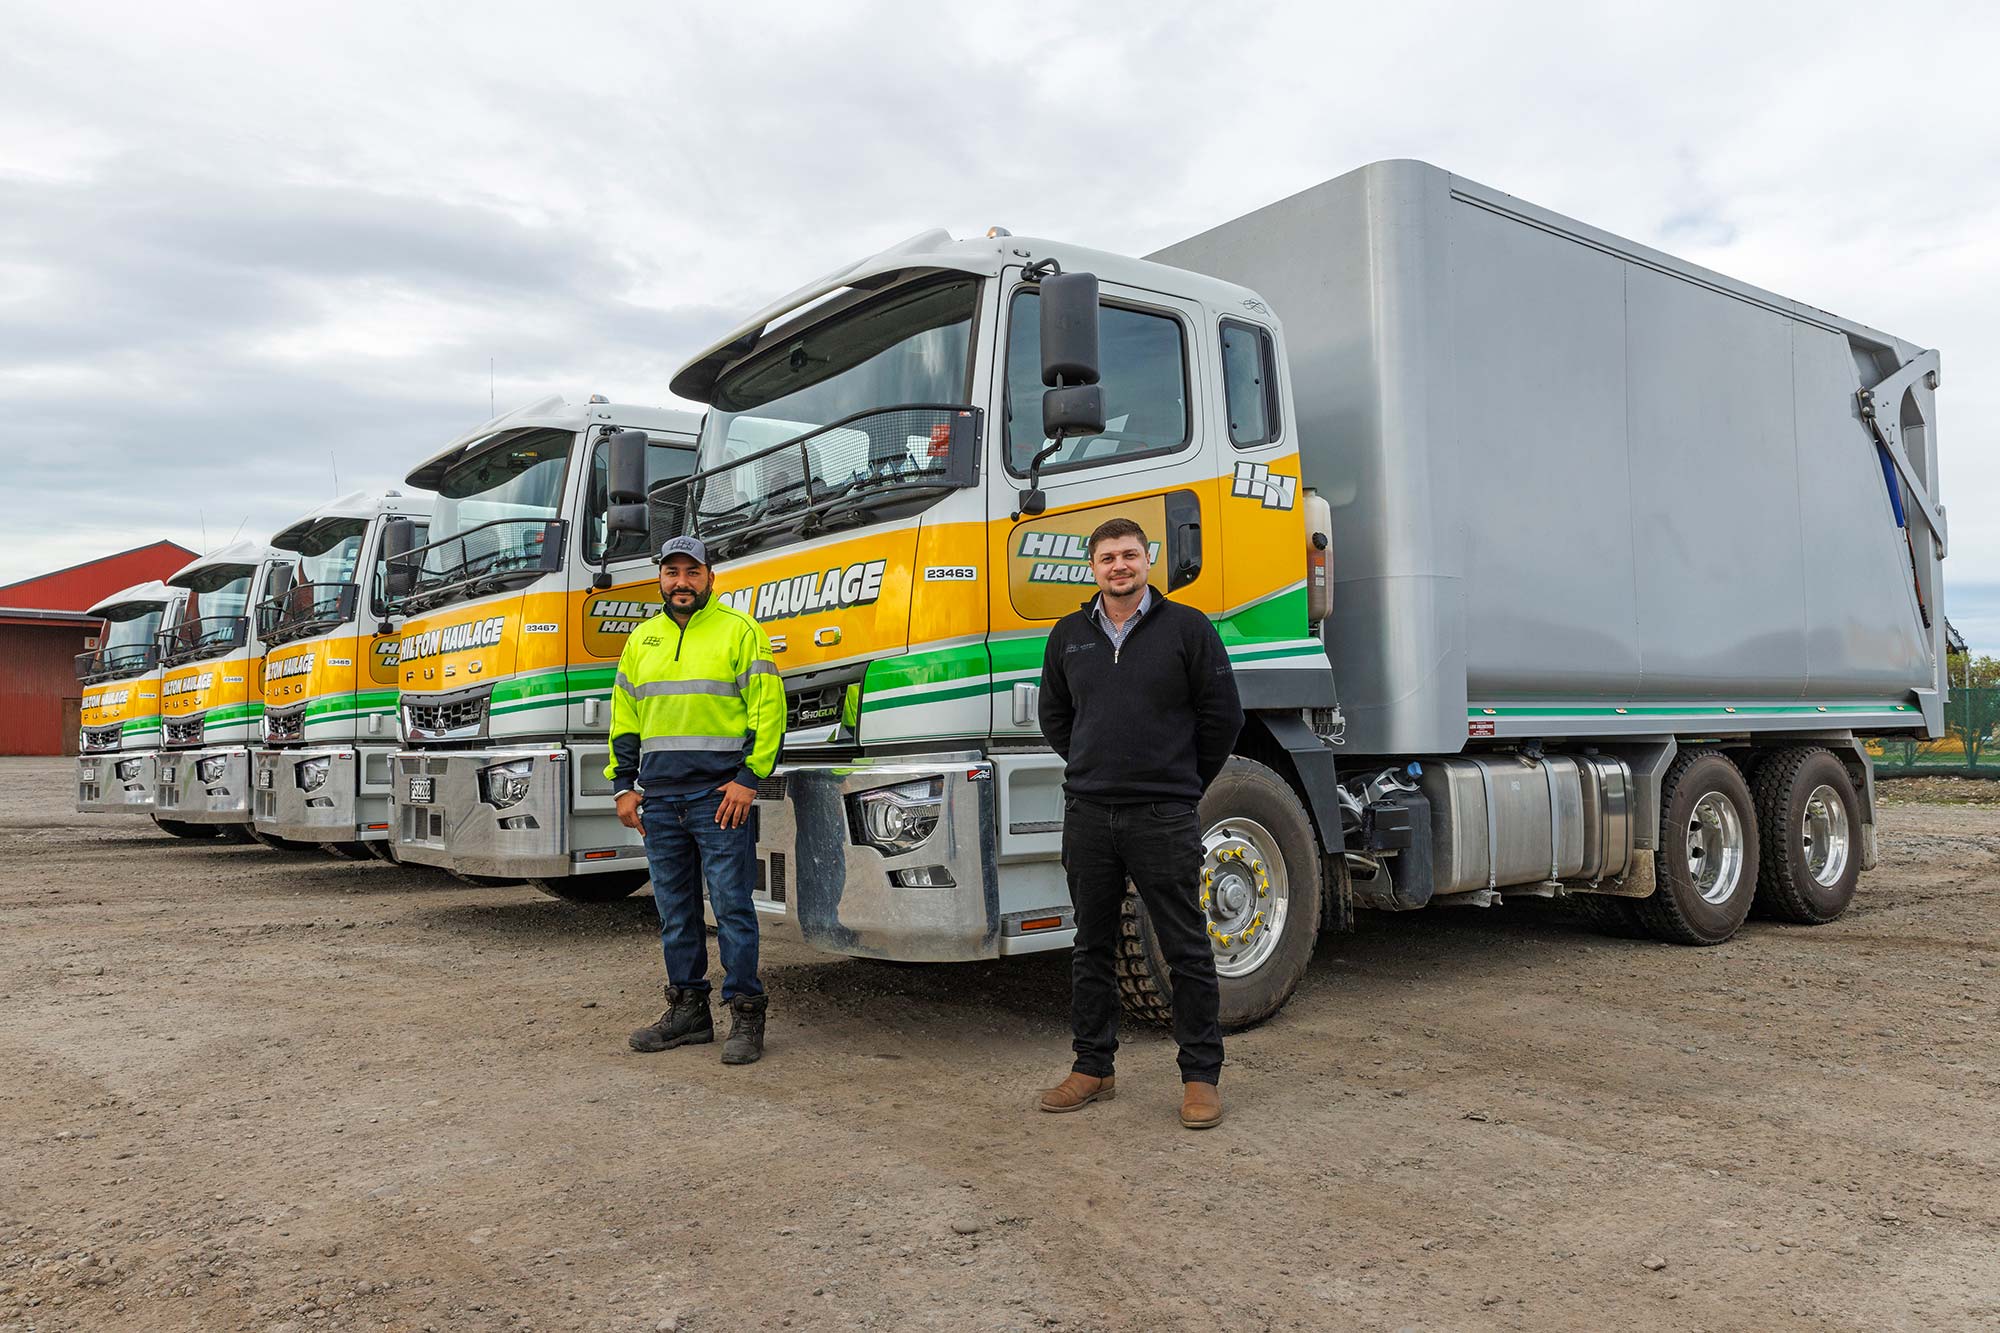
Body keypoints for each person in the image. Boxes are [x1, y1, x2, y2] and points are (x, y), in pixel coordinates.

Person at [1036, 517, 1244, 1129]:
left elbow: (1222, 718)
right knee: (1090, 946)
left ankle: (1201, 1078)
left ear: (1148, 559)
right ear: (1093, 567)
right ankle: (1093, 1067)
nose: (1118, 566)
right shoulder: (1068, 635)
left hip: (1164, 816)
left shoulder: (1188, 629)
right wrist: (1093, 765)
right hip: (1090, 816)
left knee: (1184, 948)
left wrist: (1180, 785)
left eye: (1128, 555)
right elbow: (1057, 716)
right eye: (1106, 558)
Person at [609, 536, 784, 1064]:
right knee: (675, 912)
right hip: (659, 801)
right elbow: (626, 718)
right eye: (671, 572)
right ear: (659, 579)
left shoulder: (741, 631)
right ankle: (689, 1012)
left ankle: (746, 1013)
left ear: (710, 576)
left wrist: (749, 779)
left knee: (731, 908)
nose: (681, 582)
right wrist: (623, 785)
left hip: (719, 797)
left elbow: (768, 710)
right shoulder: (641, 641)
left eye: (692, 572)